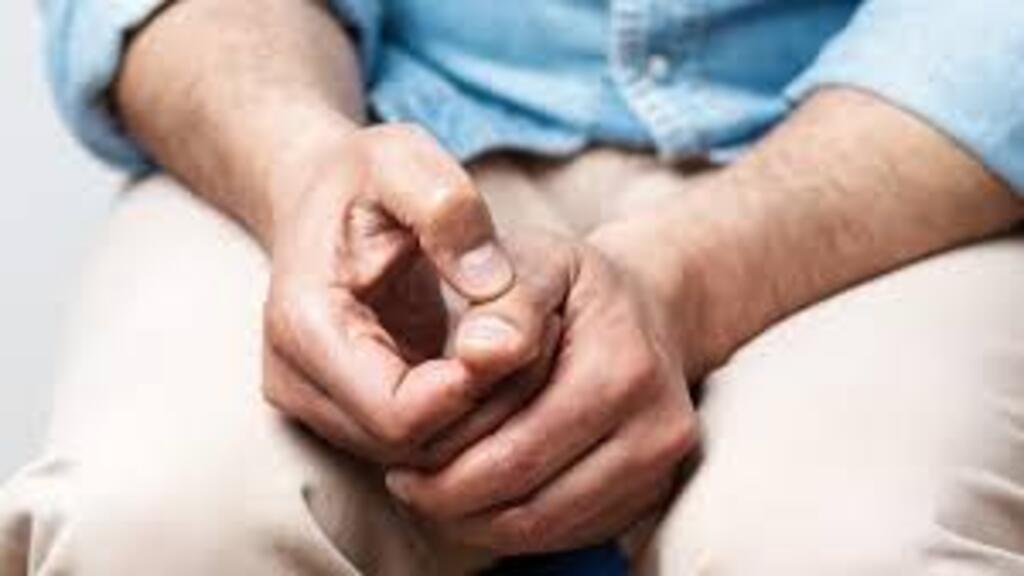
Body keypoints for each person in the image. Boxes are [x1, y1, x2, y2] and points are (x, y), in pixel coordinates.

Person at [3, 0, 1024, 574]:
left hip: (901, 158)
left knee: (847, 545)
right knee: (155, 516)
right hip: (365, 114)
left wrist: (690, 280)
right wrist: (301, 164)